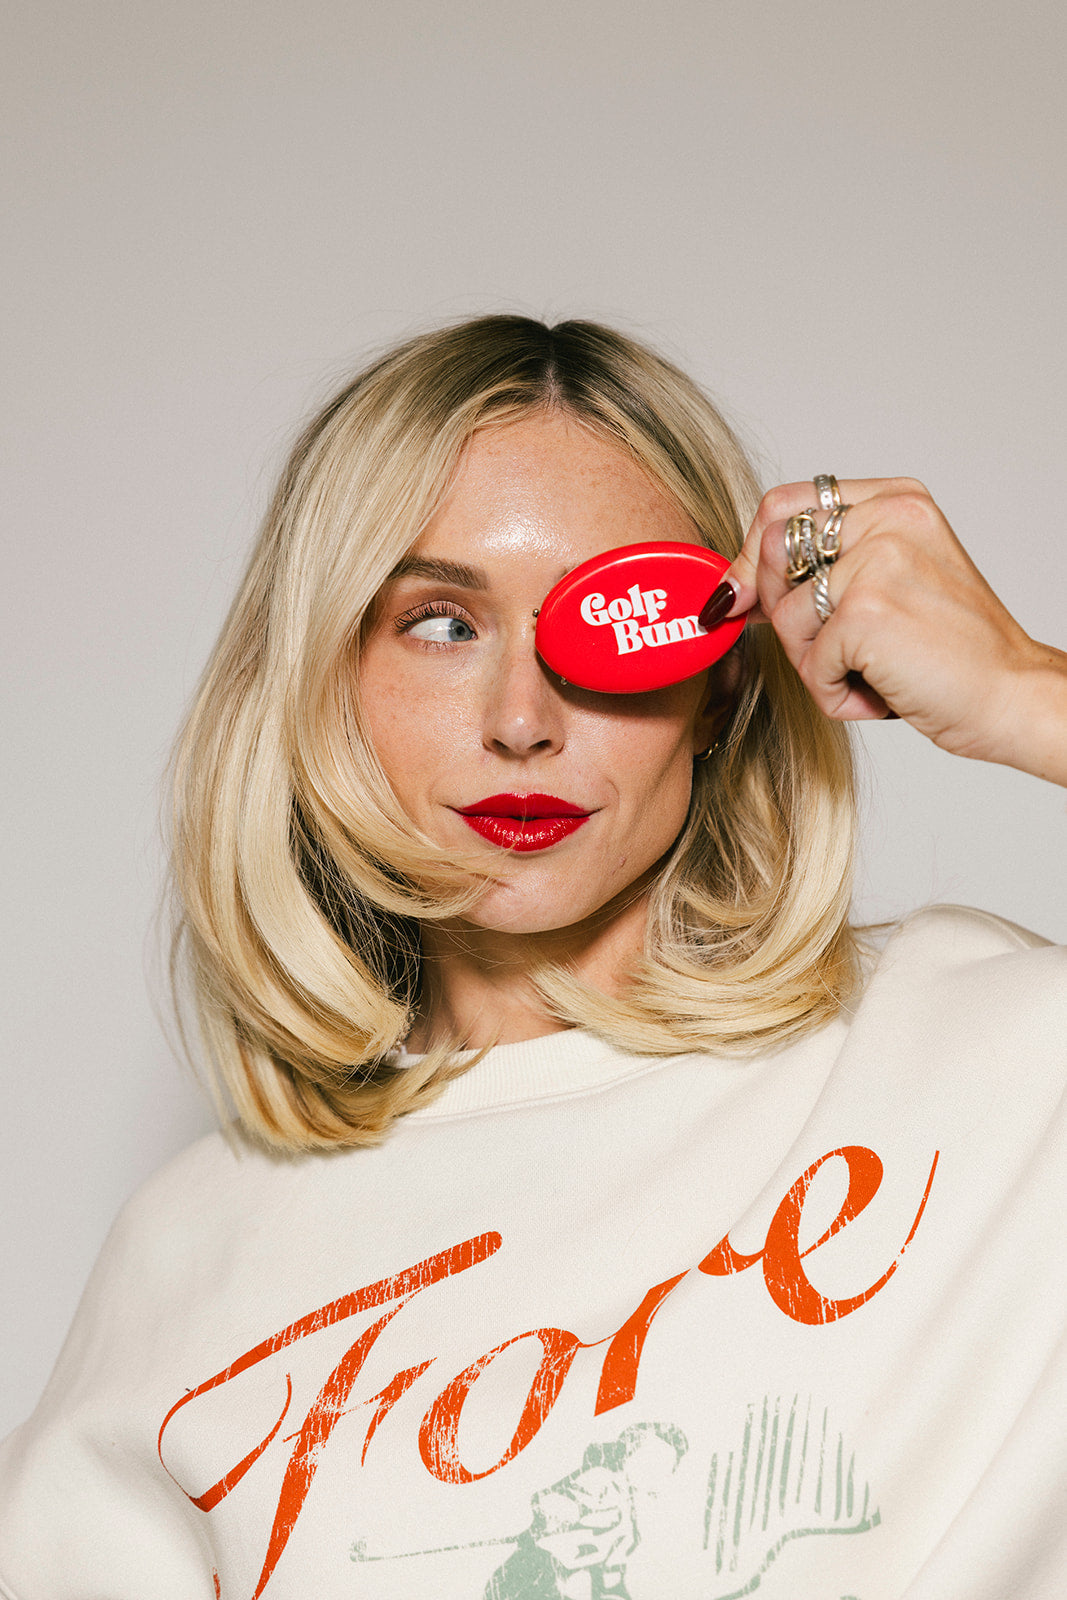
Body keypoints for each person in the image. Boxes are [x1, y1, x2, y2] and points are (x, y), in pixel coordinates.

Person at [0, 316, 1065, 1600]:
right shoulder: (190, 1249)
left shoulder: (991, 1050)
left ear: (718, 682)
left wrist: (1021, 692)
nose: (521, 721)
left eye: (606, 618)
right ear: (325, 673)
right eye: (440, 623)